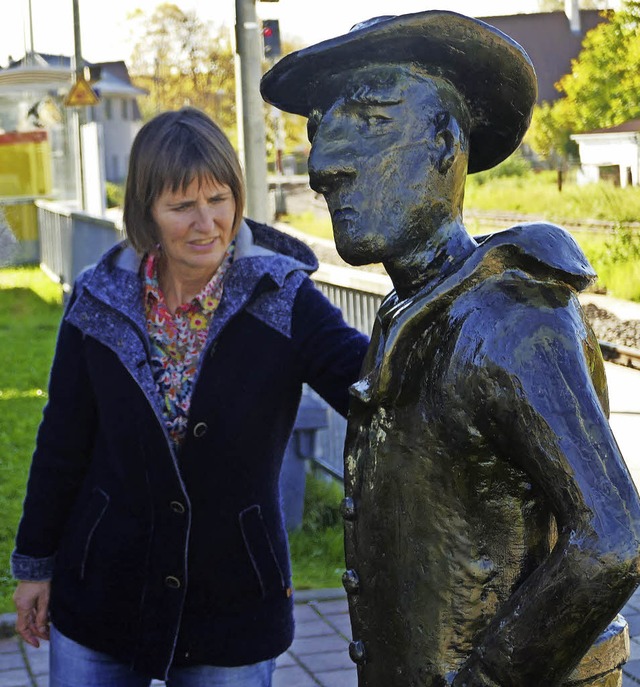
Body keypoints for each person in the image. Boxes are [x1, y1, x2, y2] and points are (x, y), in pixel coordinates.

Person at [261, 11, 640, 687]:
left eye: (370, 121)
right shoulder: (410, 308)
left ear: (445, 142)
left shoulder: (511, 317)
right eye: (319, 130)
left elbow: (613, 539)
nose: (323, 166)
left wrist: (490, 679)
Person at [11, 107, 369, 686]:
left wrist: (437, 327)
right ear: (147, 213)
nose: (207, 223)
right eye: (182, 206)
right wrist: (34, 567)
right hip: (102, 589)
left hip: (231, 598)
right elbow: (62, 444)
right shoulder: (99, 301)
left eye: (219, 198)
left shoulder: (281, 296)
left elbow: (369, 387)